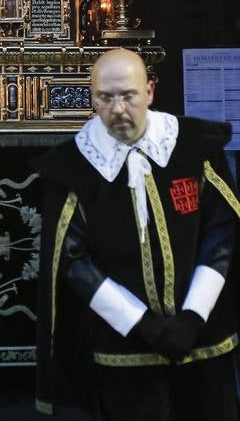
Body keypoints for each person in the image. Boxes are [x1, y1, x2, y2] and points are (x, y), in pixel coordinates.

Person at [35, 47, 240, 421]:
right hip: (124, 349)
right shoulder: (73, 168)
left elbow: (221, 233)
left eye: (128, 95)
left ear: (149, 91)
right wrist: (141, 323)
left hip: (203, 340)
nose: (118, 109)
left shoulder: (194, 147)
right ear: (92, 98)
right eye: (105, 97)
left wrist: (193, 315)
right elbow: (73, 262)